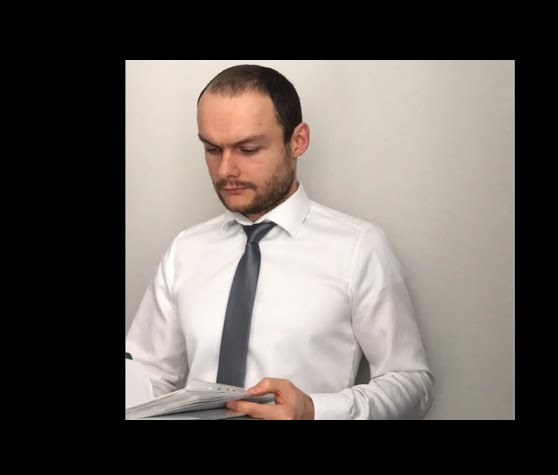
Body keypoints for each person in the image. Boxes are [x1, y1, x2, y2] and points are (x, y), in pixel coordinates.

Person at [126, 64, 434, 420]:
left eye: (249, 149)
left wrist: (315, 410)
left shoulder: (359, 248)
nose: (226, 170)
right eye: (212, 149)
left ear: (298, 141)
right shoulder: (185, 250)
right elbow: (146, 373)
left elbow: (412, 383)